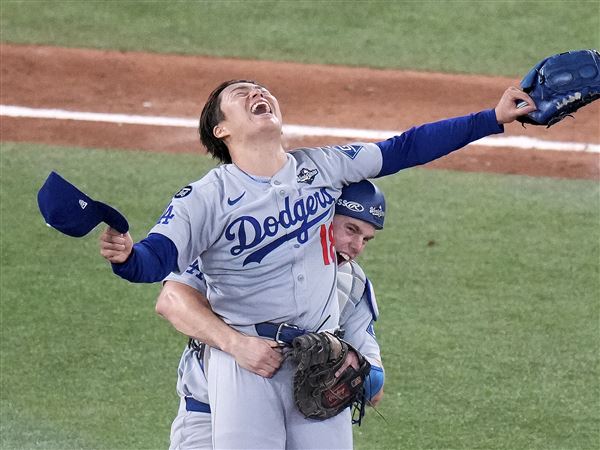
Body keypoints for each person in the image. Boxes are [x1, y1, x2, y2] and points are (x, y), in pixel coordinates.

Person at [99, 79, 535, 449]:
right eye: (241, 92)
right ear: (221, 128)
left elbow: (406, 147)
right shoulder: (205, 197)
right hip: (247, 361)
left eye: (261, 88)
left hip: (321, 360)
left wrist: (491, 118)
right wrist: (126, 256)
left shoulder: (322, 166)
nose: (257, 92)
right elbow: (153, 262)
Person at [163, 180, 387, 450]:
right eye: (350, 229)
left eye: (366, 239)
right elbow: (172, 302)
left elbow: (374, 383)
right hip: (207, 410)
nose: (357, 246)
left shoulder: (352, 283)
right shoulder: (246, 248)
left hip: (300, 420)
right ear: (322, 213)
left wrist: (348, 370)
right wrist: (236, 345)